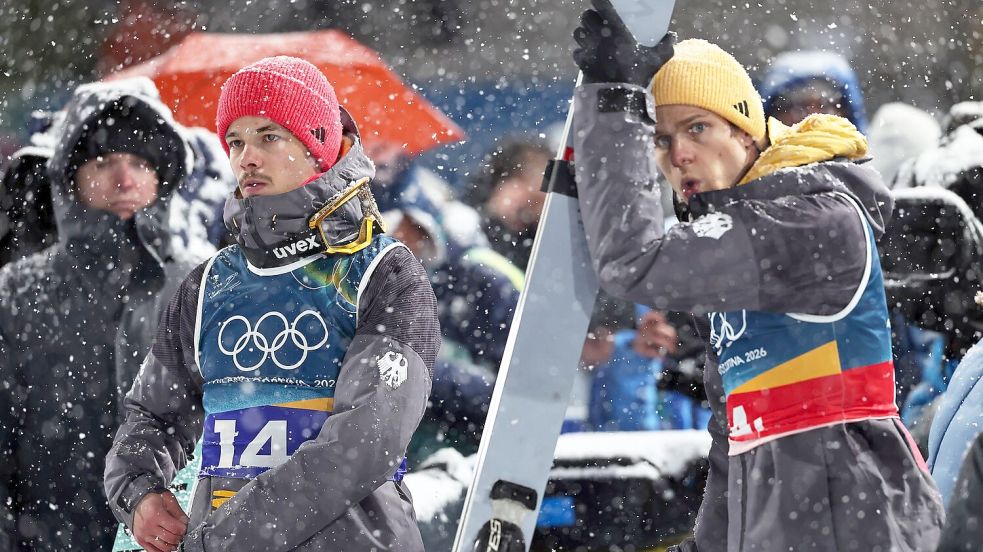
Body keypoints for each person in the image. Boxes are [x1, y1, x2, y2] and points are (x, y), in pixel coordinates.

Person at [570, 2, 944, 550]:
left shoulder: (812, 219)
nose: (680, 155)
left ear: (747, 134)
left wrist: (614, 102)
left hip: (856, 521)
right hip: (804, 521)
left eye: (698, 128)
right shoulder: (742, 249)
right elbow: (736, 438)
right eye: (659, 139)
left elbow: (634, 260)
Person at [103, 56, 439, 552]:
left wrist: (226, 537)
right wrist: (140, 492)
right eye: (235, 141)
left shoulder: (383, 272)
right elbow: (153, 416)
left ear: (318, 145)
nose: (246, 158)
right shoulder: (210, 283)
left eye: (268, 136)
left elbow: (365, 443)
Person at [0, 77, 199, 550]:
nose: (125, 179)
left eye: (139, 162)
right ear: (70, 177)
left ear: (161, 176)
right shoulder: (15, 293)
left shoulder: (202, 285)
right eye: (105, 162)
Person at [759, 49, 868, 132]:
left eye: (825, 105)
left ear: (847, 113)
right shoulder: (748, 160)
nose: (812, 116)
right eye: (798, 106)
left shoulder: (879, 159)